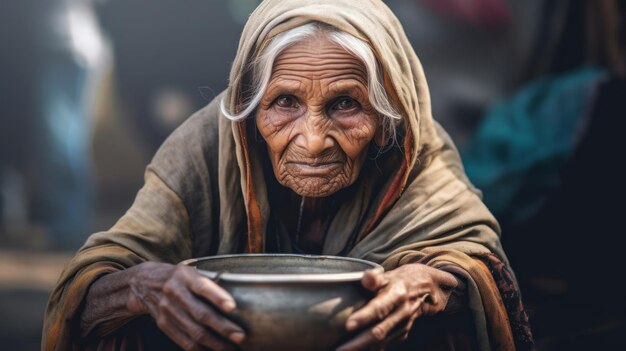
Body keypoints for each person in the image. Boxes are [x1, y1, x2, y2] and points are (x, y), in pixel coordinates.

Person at [43, 0, 532, 350]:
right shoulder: (207, 146)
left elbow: (477, 263)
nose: (313, 139)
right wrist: (143, 287)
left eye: (345, 104)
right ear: (250, 109)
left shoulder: (416, 153)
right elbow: (93, 283)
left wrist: (426, 287)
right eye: (284, 103)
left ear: (388, 116)